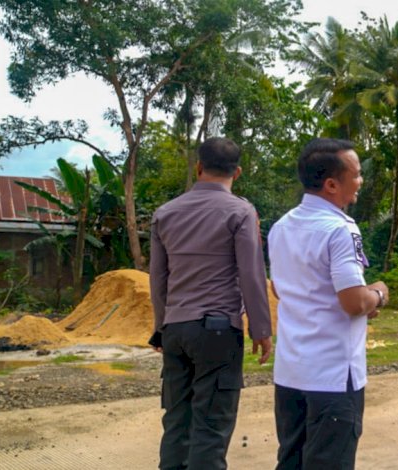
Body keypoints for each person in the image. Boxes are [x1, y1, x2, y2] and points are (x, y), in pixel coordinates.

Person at [148, 137, 273, 470]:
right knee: (210, 428)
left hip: (175, 329)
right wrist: (261, 329)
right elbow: (251, 274)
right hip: (218, 332)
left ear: (198, 167)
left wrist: (161, 328)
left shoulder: (165, 214)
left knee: (177, 422)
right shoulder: (241, 212)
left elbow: (158, 279)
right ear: (238, 172)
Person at [269, 137, 390, 470]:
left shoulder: (281, 228)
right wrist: (378, 293)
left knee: (291, 460)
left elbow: (284, 289)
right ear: (332, 184)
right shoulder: (339, 229)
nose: (360, 181)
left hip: (291, 372)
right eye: (357, 174)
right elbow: (352, 301)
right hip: (332, 375)